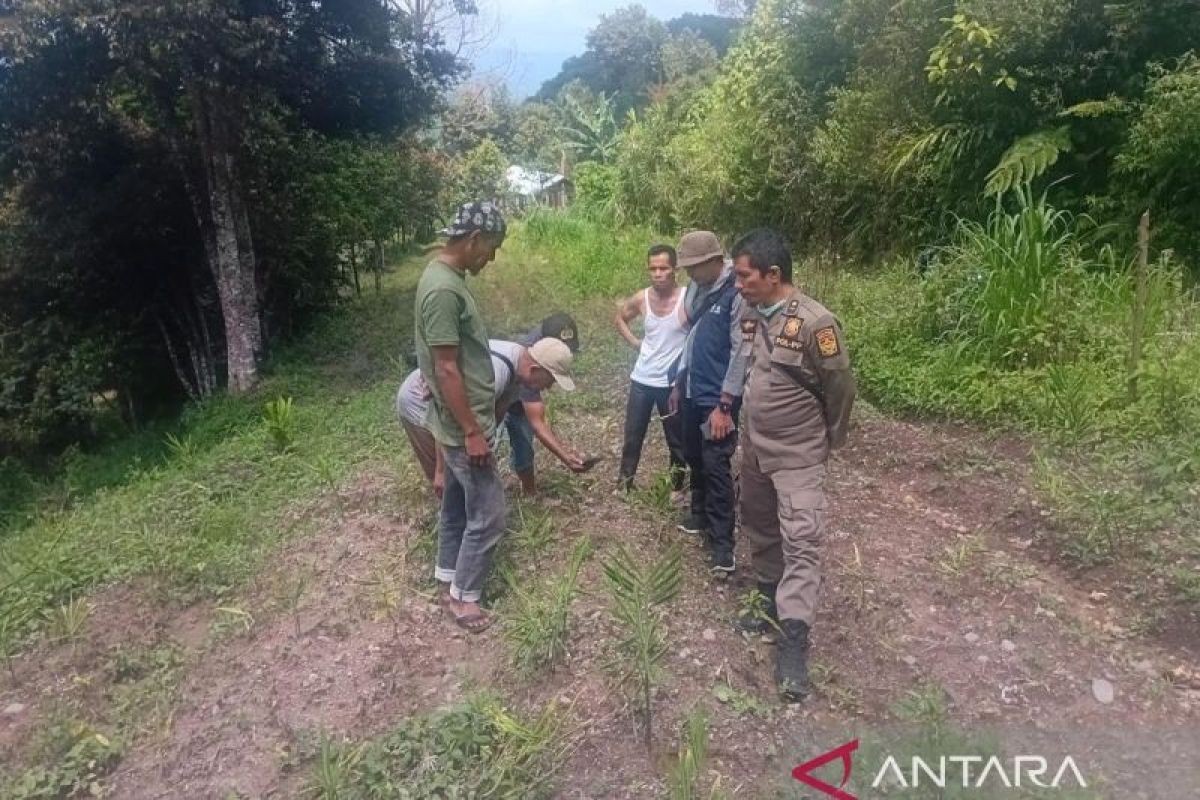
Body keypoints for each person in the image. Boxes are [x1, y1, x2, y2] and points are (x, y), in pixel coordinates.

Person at [731, 228, 855, 701]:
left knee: (801, 541)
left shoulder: (816, 324)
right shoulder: (753, 313)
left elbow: (840, 387)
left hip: (798, 453)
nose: (737, 284)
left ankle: (794, 639)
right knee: (760, 523)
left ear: (773, 274)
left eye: (744, 276)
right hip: (756, 448)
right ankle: (767, 595)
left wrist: (828, 439)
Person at [413, 200, 508, 633]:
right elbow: (447, 367)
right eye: (492, 247)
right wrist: (472, 430)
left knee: (454, 505)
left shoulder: (442, 278)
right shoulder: (443, 291)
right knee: (488, 513)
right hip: (461, 426)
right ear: (474, 239)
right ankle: (464, 597)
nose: (492, 257)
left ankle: (448, 576)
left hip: (454, 422)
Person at [396, 337, 584, 494]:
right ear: (535, 369)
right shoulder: (495, 373)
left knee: (469, 479)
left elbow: (495, 415)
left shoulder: (518, 367)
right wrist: (440, 470)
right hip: (420, 400)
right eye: (550, 379)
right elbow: (448, 414)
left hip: (451, 405)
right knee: (451, 482)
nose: (549, 387)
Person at [668, 231, 750, 576]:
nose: (689, 273)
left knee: (716, 466)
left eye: (694, 266)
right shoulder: (698, 289)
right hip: (692, 389)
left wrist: (725, 405)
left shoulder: (736, 294)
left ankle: (722, 546)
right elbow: (691, 339)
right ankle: (698, 514)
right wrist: (679, 381)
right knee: (693, 455)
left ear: (715, 261)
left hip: (717, 397)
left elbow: (741, 351)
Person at [614, 244, 688, 496]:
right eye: (653, 269)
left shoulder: (687, 298)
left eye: (663, 268)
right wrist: (636, 343)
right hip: (642, 380)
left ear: (675, 269)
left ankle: (676, 488)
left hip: (671, 384)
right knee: (633, 436)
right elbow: (620, 318)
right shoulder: (642, 298)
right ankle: (624, 484)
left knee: (676, 440)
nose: (658, 274)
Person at [504, 313, 588, 494]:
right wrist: (566, 457)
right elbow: (537, 423)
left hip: (508, 395)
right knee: (518, 437)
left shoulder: (540, 358)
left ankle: (528, 491)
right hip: (500, 399)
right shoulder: (529, 367)